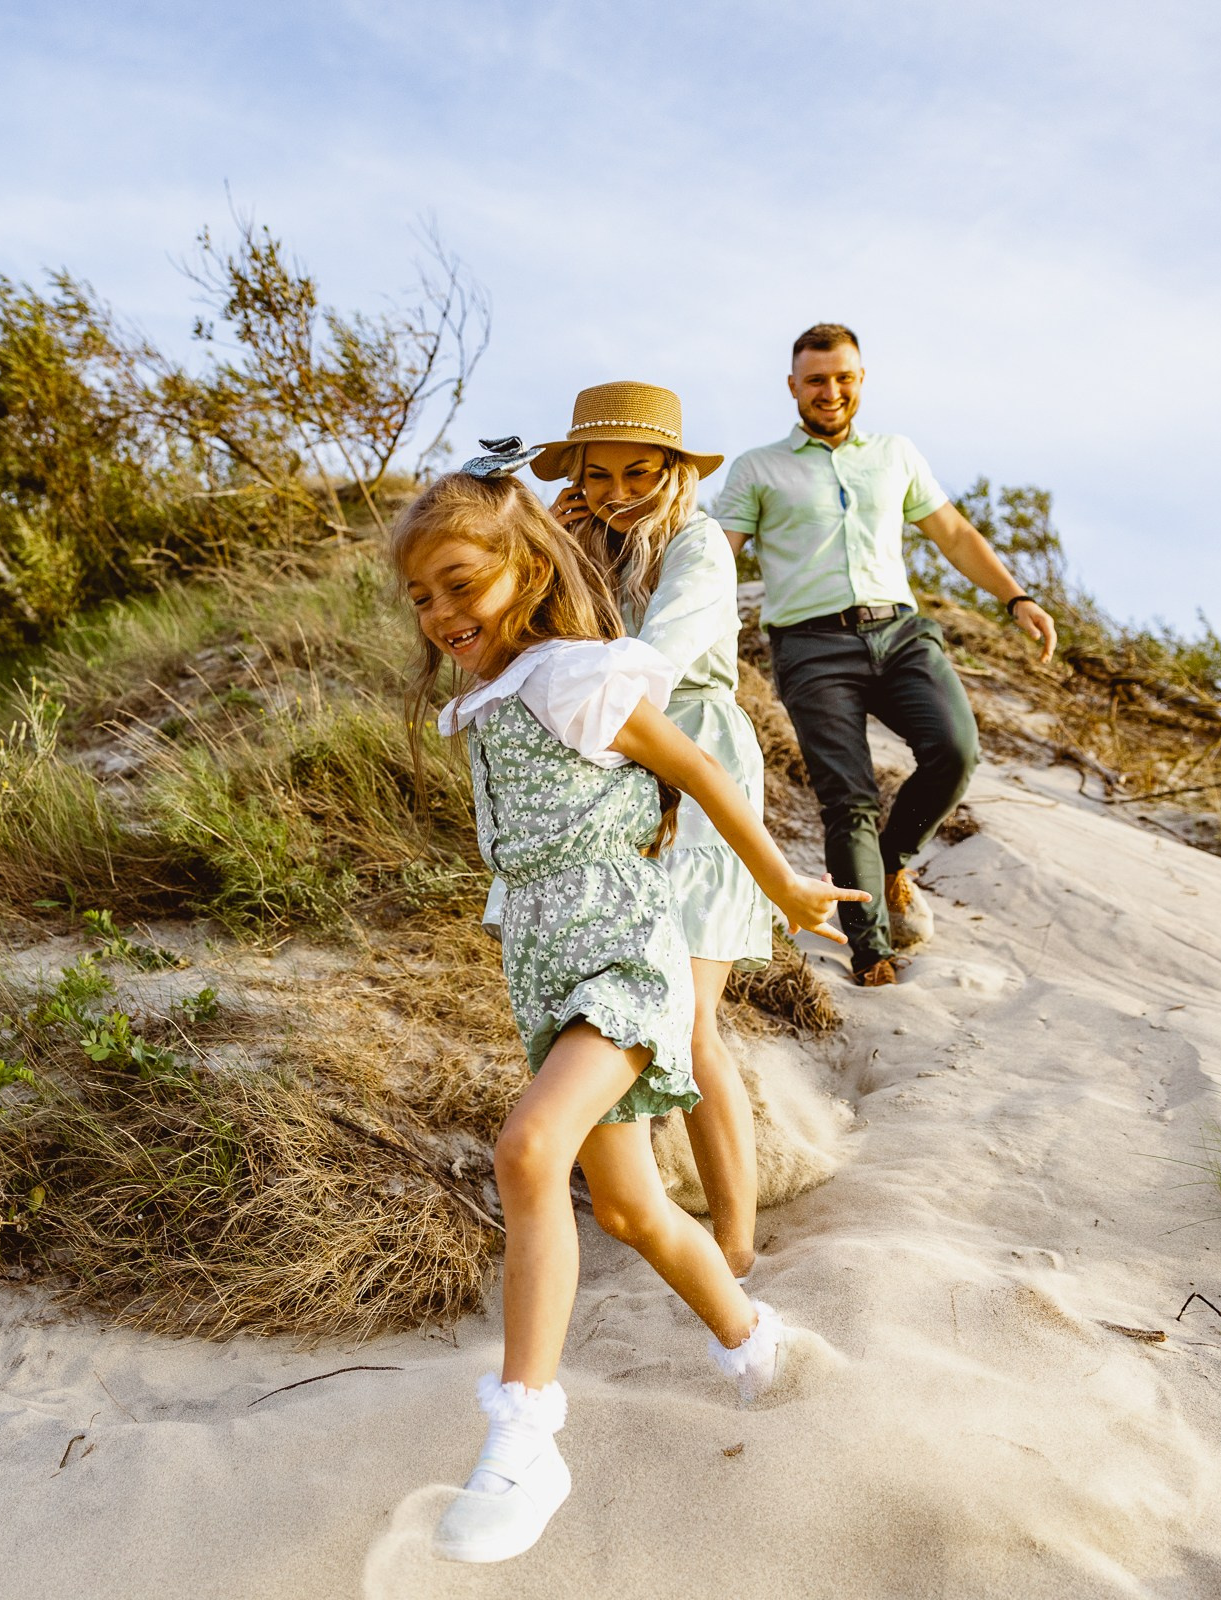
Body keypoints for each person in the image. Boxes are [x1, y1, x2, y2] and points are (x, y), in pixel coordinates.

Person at [393, 462, 865, 1564]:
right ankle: (762, 1351)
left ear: (521, 568)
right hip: (551, 971)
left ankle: (525, 1433)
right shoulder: (490, 699)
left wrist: (785, 884)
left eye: (460, 583)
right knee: (632, 1209)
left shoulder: (575, 677)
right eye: (421, 597)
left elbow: (699, 767)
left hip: (622, 952)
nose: (442, 614)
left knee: (527, 1149)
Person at [714, 324, 1057, 986]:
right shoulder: (758, 468)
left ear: (861, 380)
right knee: (849, 797)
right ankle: (871, 950)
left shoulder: (895, 454)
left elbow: (953, 534)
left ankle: (893, 860)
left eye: (844, 377)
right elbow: (719, 553)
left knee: (955, 748)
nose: (830, 391)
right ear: (793, 387)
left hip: (899, 634)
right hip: (811, 646)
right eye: (816, 380)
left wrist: (1017, 599)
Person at [525, 380, 772, 1276]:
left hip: (693, 756)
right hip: (602, 776)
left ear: (673, 470)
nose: (620, 488)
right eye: (599, 474)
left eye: (639, 469)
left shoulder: (698, 545)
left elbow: (656, 657)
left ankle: (736, 1241)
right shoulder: (579, 544)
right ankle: (636, 1203)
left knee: (691, 1011)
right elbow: (520, 646)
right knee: (608, 997)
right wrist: (546, 544)